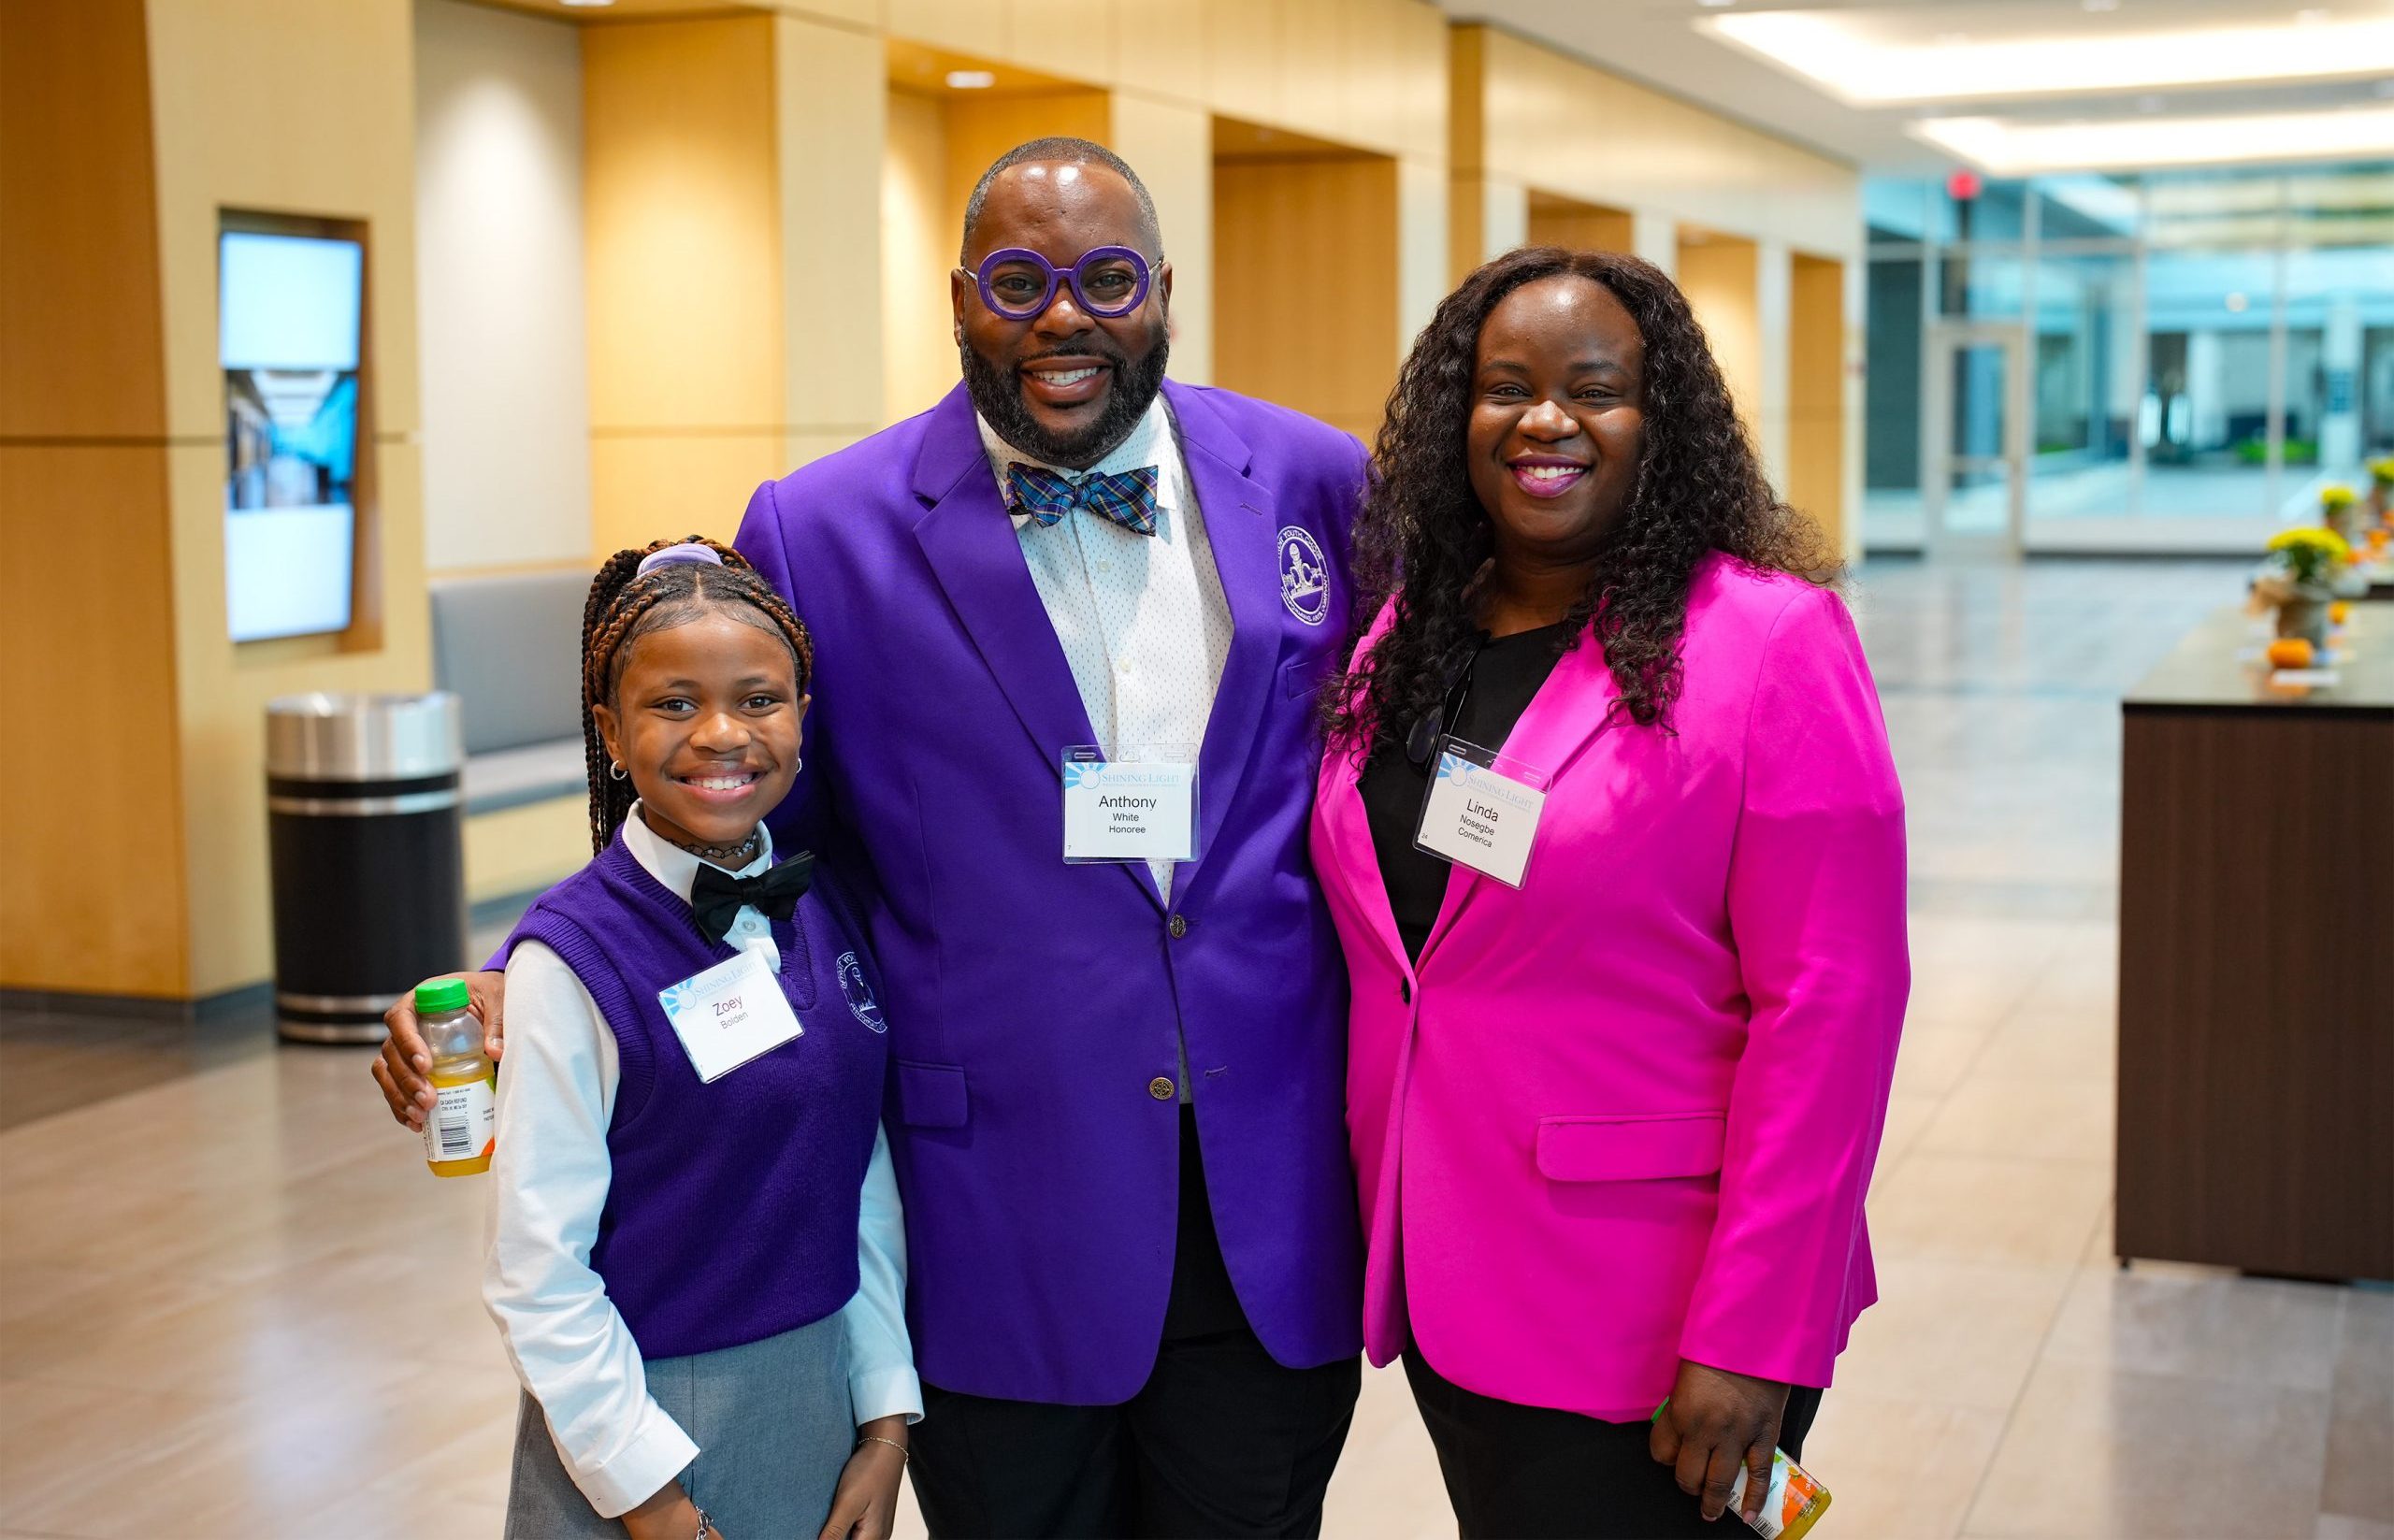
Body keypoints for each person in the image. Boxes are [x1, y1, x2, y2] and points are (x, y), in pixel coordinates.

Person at [376, 138, 1367, 1537]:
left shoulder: (1322, 480)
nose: (1063, 318)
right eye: (1017, 282)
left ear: (1166, 293)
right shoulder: (822, 528)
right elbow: (734, 796)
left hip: (1265, 1194)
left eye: (1106, 278)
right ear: (960, 300)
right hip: (998, 1209)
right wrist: (546, 961)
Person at [1309, 248, 1909, 1539]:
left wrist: (1755, 1333)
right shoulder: (1409, 631)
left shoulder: (1768, 639)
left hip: (1659, 1308)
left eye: (1597, 388)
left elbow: (1832, 1011)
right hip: (1449, 1265)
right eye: (1505, 385)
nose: (1545, 419)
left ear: (1664, 421)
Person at [486, 538, 916, 1540]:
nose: (722, 733)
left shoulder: (825, 905)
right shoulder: (569, 960)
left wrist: (885, 1421)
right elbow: (536, 1268)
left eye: (759, 699)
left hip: (818, 1403)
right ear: (611, 730)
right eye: (673, 704)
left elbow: (860, 1172)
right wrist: (653, 1501)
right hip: (632, 1429)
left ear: (802, 715)